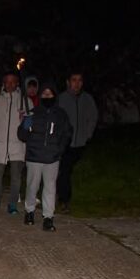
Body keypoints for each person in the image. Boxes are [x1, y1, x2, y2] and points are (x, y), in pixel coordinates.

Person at [18, 82, 73, 232]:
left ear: (54, 96)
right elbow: (22, 136)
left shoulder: (61, 114)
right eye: (44, 94)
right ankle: (29, 211)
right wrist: (25, 123)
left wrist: (59, 150)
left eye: (50, 94)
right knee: (32, 186)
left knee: (50, 188)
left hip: (52, 158)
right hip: (34, 157)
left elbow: (67, 134)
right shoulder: (33, 113)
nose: (47, 96)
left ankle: (48, 217)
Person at [56, 69, 98, 213]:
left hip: (79, 142)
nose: (77, 84)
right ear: (68, 82)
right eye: (74, 80)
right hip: (64, 142)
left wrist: (87, 134)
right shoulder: (61, 99)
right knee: (64, 170)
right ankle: (64, 200)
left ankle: (60, 195)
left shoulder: (87, 99)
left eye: (79, 80)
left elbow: (93, 117)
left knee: (65, 171)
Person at [0, 71, 26, 214]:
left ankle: (13, 204)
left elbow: (31, 124)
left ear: (17, 83)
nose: (10, 84)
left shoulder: (25, 100)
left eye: (13, 81)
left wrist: (24, 119)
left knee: (16, 177)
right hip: (0, 145)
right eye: (7, 81)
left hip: (18, 145)